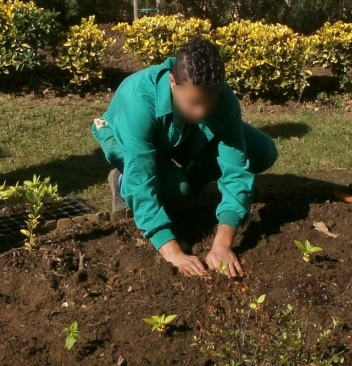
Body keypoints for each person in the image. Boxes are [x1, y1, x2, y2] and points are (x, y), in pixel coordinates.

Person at [91, 36, 278, 278]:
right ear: (172, 82)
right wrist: (170, 249)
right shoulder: (138, 99)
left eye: (208, 102)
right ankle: (120, 180)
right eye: (193, 102)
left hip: (184, 132)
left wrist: (223, 243)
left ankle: (188, 178)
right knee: (173, 188)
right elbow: (141, 176)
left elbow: (236, 170)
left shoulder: (222, 100)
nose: (202, 111)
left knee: (262, 151)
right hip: (127, 137)